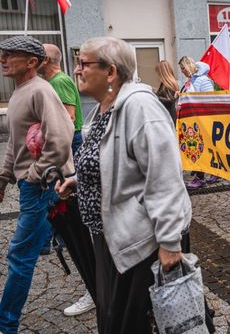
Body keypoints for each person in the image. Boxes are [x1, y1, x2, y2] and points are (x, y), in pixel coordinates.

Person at [56, 37, 192, 334]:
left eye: (83, 63)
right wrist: (80, 181)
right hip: (110, 238)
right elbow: (112, 161)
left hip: (142, 243)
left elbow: (165, 178)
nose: (76, 70)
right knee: (115, 319)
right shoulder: (103, 108)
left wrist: (170, 244)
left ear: (111, 72)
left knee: (138, 323)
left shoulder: (140, 107)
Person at [0, 36, 74, 334]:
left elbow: (62, 137)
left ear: (32, 62)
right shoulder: (19, 91)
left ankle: (6, 325)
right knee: (80, 243)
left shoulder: (41, 90)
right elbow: (14, 143)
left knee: (20, 255)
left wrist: (34, 175)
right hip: (33, 185)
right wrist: (4, 178)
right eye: (2, 54)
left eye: (9, 55)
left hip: (43, 186)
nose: (3, 59)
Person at [37, 43, 96, 316]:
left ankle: (63, 239)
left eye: (84, 64)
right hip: (70, 145)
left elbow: (68, 119)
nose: (78, 70)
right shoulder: (54, 82)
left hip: (68, 144)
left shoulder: (59, 82)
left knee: (68, 202)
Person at [178, 56, 218, 189]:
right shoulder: (190, 80)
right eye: (181, 69)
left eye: (183, 68)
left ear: (189, 66)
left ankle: (201, 177)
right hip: (192, 119)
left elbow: (210, 99)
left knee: (200, 147)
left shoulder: (202, 80)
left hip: (201, 119)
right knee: (199, 147)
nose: (182, 71)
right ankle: (211, 172)